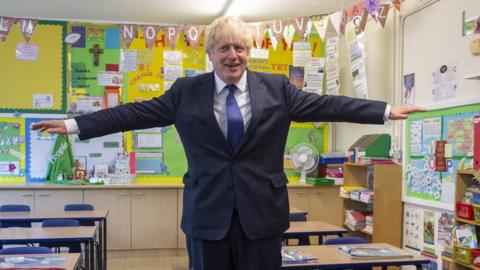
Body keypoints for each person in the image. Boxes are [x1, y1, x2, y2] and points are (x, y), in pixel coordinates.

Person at [32, 16, 426, 270]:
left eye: (240, 48)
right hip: (207, 215)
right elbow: (133, 113)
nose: (233, 55)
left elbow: (328, 103)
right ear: (210, 54)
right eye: (224, 48)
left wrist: (384, 110)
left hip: (263, 213)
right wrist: (73, 124)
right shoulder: (186, 92)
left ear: (248, 53)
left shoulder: (277, 89)